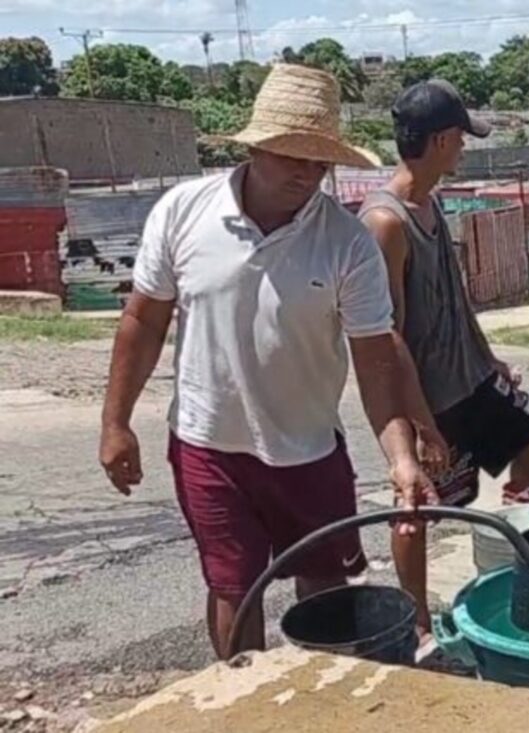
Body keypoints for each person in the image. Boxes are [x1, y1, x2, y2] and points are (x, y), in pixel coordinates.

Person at [98, 64, 439, 660]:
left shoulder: (348, 243)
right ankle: (239, 702)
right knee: (234, 585)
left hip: (310, 450)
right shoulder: (183, 212)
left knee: (327, 592)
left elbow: (375, 364)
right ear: (256, 146)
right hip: (209, 445)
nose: (307, 174)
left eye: (320, 161)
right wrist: (115, 422)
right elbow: (143, 321)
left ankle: (320, 705)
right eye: (292, 156)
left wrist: (402, 458)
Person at [358, 79, 529, 637]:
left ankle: (518, 562)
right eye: (462, 139)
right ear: (442, 140)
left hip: (468, 377)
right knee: (415, 506)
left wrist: (488, 358)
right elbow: (387, 337)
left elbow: (455, 295)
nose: (466, 148)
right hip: (426, 396)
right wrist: (421, 426)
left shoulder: (431, 203)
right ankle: (416, 622)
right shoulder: (385, 222)